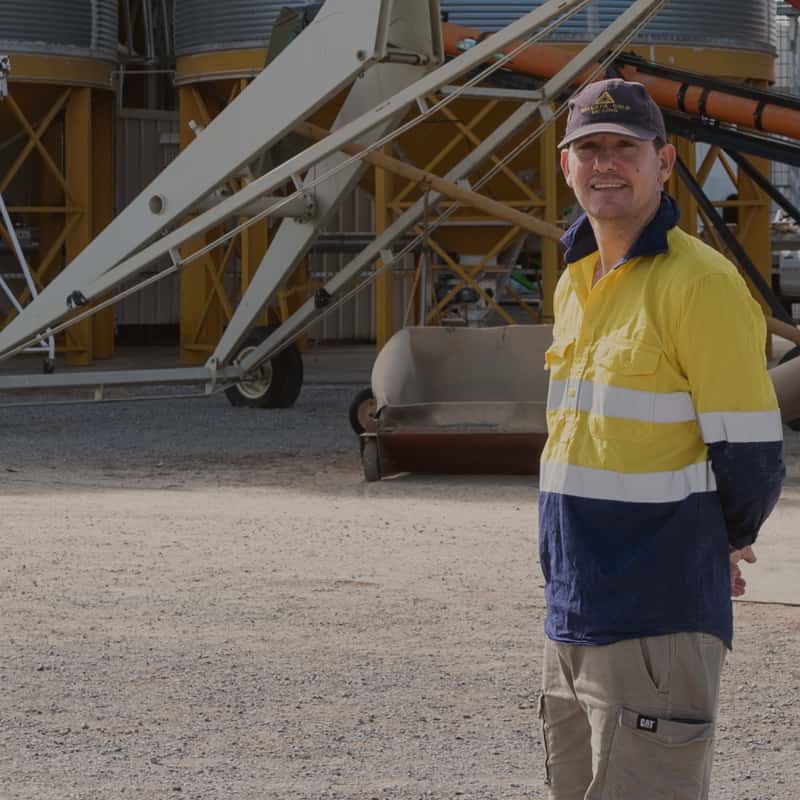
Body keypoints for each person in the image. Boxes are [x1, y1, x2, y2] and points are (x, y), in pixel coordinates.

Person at [537, 78, 785, 800]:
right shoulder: (576, 281)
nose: (605, 163)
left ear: (665, 163)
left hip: (655, 613)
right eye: (589, 148)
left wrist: (716, 541)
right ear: (566, 165)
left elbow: (752, 458)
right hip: (572, 608)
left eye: (625, 148)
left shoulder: (701, 285)